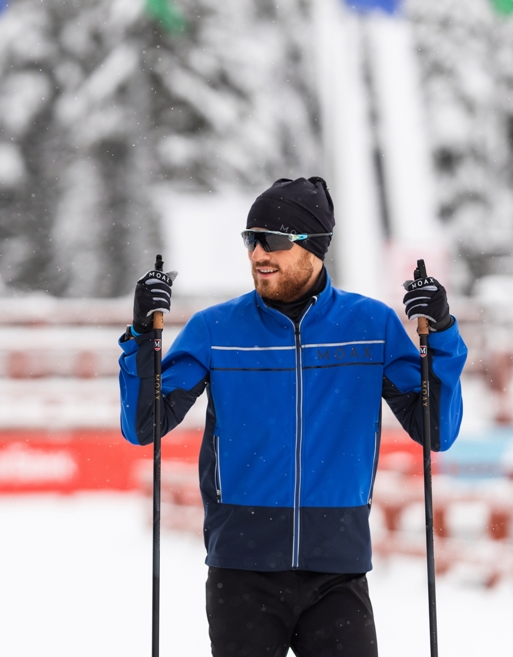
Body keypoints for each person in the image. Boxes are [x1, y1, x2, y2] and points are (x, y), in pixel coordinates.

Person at [119, 177, 467, 657]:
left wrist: (443, 334)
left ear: (315, 247)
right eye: (250, 239)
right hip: (241, 573)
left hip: (338, 572)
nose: (258, 252)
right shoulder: (215, 330)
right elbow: (145, 424)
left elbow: (436, 430)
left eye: (274, 240)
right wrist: (141, 335)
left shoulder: (372, 327)